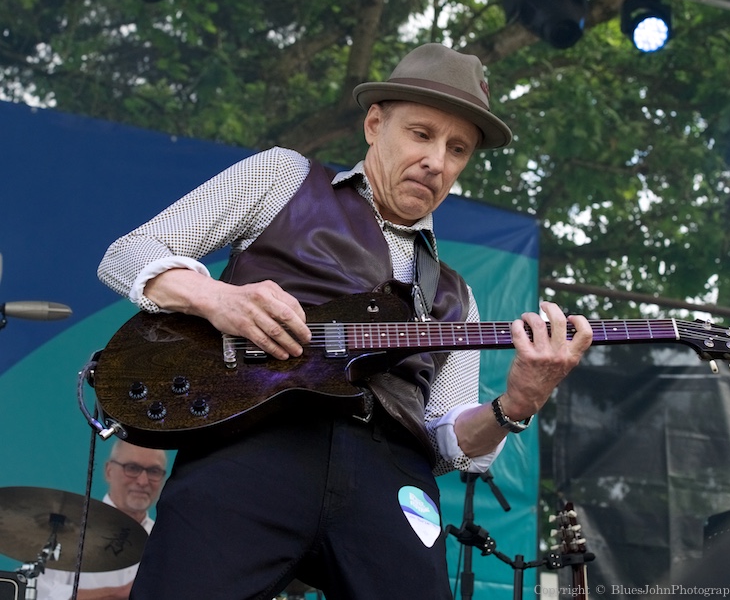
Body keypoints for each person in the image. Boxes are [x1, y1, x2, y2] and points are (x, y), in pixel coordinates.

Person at [97, 42, 593, 599]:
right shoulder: (284, 177)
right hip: (253, 444)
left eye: (458, 149)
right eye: (422, 134)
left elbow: (447, 443)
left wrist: (516, 405)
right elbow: (129, 253)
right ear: (375, 124)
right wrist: (217, 299)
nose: (437, 161)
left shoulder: (458, 297)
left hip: (392, 479)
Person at [35, 441, 167, 600]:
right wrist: (117, 594)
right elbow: (39, 591)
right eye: (132, 468)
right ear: (109, 471)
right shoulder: (68, 531)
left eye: (154, 471)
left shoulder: (167, 540)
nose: (143, 481)